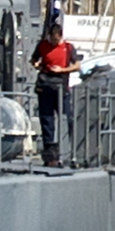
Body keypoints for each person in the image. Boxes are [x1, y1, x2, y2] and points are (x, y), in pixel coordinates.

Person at [34, 9, 75, 164]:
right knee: (47, 121)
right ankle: (50, 154)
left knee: (66, 118)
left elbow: (77, 65)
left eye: (55, 39)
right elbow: (34, 59)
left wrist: (62, 70)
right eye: (51, 38)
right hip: (45, 86)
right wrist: (37, 64)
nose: (53, 42)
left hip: (61, 88)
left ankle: (69, 151)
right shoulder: (43, 46)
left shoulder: (68, 48)